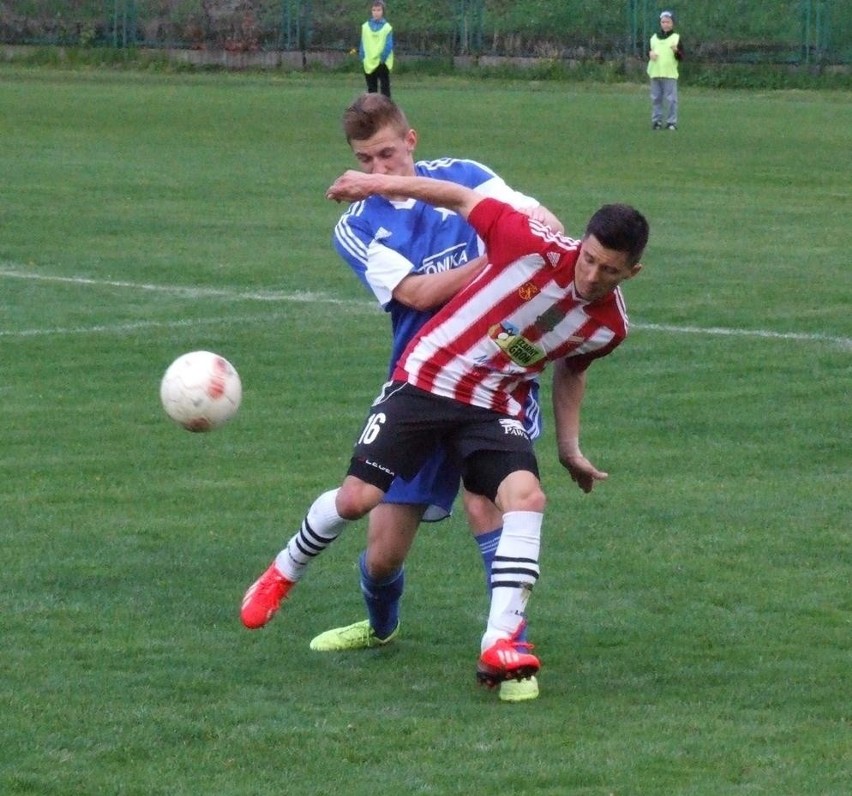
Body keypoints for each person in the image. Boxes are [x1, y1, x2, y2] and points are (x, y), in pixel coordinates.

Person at [241, 169, 649, 691]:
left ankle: (502, 640)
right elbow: (458, 195)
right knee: (357, 500)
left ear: (632, 272)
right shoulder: (527, 240)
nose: (591, 276)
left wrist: (570, 448)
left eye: (609, 270)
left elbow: (573, 368)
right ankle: (283, 572)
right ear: (582, 243)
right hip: (429, 377)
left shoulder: (608, 327)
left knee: (526, 498)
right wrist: (370, 183)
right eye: (588, 258)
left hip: (489, 405)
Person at [312, 93, 563, 703]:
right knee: (381, 556)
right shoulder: (358, 222)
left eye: (388, 153)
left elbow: (547, 225)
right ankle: (379, 628)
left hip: (494, 379)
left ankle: (510, 651)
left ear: (413, 140)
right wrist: (498, 257)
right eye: (365, 160)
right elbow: (418, 295)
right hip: (419, 387)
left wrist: (524, 236)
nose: (378, 170)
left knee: (491, 507)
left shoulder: (469, 178)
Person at [648, 10, 684, 130]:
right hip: (655, 72)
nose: (665, 24)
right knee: (656, 99)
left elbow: (681, 57)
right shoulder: (654, 38)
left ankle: (671, 122)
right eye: (663, 22)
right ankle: (657, 121)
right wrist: (650, 54)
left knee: (671, 99)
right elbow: (648, 52)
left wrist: (676, 51)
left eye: (668, 22)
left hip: (669, 73)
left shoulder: (676, 38)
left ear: (672, 23)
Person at [360, 1, 394, 98]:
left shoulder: (387, 27)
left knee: (385, 88)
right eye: (374, 10)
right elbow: (363, 42)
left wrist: (382, 58)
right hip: (369, 61)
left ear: (383, 11)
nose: (376, 12)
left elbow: (389, 44)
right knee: (371, 88)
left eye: (379, 10)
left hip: (382, 62)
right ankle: (372, 110)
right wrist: (362, 56)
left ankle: (386, 110)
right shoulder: (365, 26)